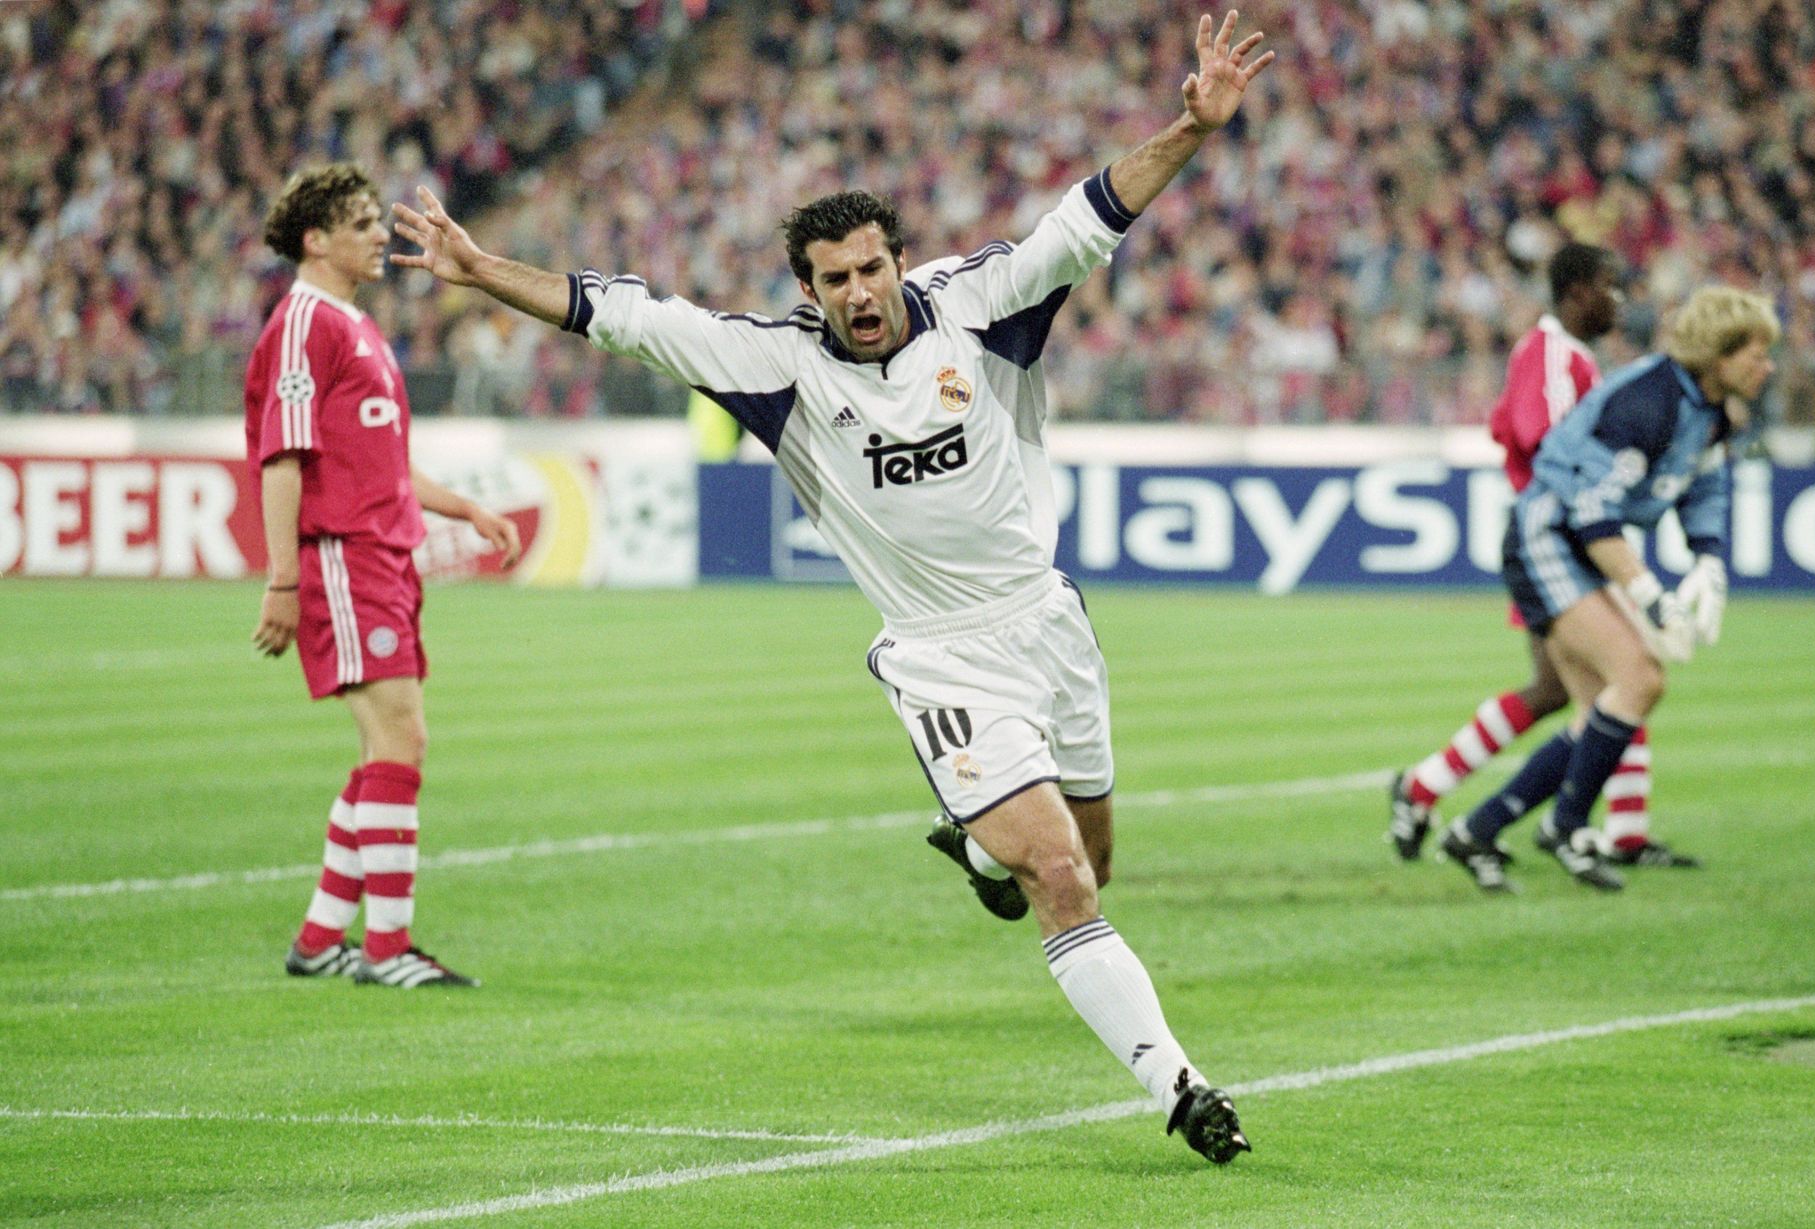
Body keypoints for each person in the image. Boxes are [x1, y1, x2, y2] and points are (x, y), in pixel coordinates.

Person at [390, 11, 1273, 1162]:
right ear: (806, 288)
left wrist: (1191, 130)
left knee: (1094, 857)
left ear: (899, 260)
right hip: (939, 648)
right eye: (833, 280)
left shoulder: (985, 303)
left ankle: (971, 841)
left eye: (871, 268)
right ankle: (1179, 1084)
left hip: (1050, 623)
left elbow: (1093, 212)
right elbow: (624, 315)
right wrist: (478, 267)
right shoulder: (780, 365)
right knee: (1058, 874)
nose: (858, 292)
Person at [245, 163, 522, 987]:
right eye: (362, 223)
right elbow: (281, 459)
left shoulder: (355, 325)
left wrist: (465, 509)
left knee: (384, 746)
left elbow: (387, 462)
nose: (379, 235)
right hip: (343, 555)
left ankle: (320, 937)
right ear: (315, 238)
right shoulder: (303, 324)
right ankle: (387, 949)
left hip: (383, 551)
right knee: (402, 738)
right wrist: (284, 580)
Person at [1435, 286, 1778, 893]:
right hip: (1551, 535)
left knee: (1602, 707)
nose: (1768, 366)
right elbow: (1593, 515)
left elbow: (1704, 488)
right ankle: (1566, 827)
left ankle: (1478, 829)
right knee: (1640, 678)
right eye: (1756, 353)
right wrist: (1649, 593)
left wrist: (1709, 560)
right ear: (1719, 355)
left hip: (1578, 541)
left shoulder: (1711, 410)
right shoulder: (1648, 403)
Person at [1387, 245, 1696, 868]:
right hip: (1555, 544)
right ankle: (1609, 832)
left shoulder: (1566, 356)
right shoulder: (1556, 356)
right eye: (1610, 284)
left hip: (1556, 541)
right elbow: (1546, 441)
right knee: (1621, 675)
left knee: (1575, 687)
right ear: (1578, 290)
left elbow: (1509, 428)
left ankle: (1425, 789)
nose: (1619, 298)